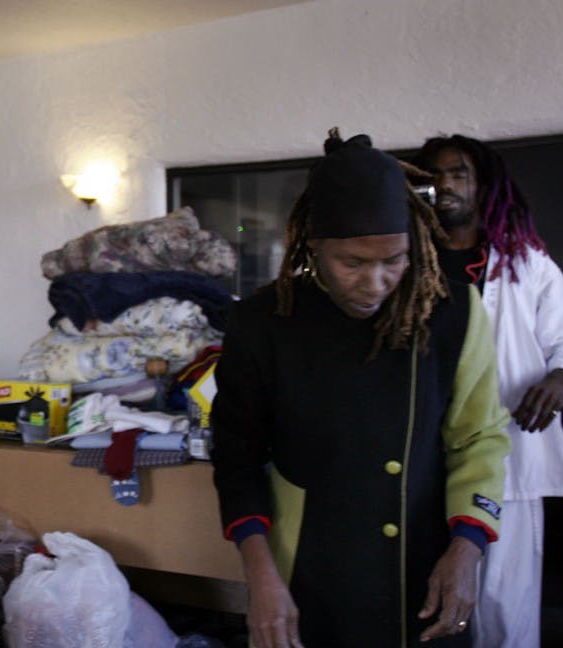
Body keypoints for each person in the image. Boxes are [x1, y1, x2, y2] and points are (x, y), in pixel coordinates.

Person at [210, 132, 511, 648]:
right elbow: (237, 456)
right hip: (309, 571)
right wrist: (260, 577)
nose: (375, 283)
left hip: (428, 569)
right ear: (315, 246)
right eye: (352, 263)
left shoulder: (454, 312)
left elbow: (478, 438)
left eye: (393, 260)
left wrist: (468, 548)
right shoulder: (263, 322)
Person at [415, 134, 563, 648]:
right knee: (427, 604)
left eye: (460, 173)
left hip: (509, 457)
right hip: (425, 456)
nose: (446, 183)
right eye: (435, 174)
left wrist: (558, 377)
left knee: (505, 607)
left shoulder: (527, 266)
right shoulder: (410, 263)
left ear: (484, 186)